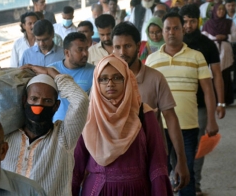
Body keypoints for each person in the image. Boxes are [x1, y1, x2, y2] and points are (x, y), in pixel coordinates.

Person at [72, 54, 173, 195]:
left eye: (117, 77)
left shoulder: (143, 114)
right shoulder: (88, 116)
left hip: (137, 190)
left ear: (127, 80)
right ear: (96, 82)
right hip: (98, 191)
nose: (110, 83)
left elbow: (157, 161)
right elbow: (76, 166)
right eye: (103, 79)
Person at [146, 12, 219, 196]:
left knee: (186, 172)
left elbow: (208, 90)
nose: (172, 32)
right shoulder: (152, 60)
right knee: (159, 171)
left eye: (176, 28)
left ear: (182, 30)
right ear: (162, 32)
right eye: (168, 28)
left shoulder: (196, 57)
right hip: (159, 127)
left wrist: (211, 120)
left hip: (188, 126)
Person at [112, 22, 190, 192]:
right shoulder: (106, 81)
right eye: (117, 47)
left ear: (139, 47)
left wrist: (181, 161)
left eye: (127, 46)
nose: (122, 52)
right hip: (117, 159)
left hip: (153, 157)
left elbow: (171, 118)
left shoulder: (155, 78)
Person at [1, 65, 89, 195]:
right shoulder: (6, 136)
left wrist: (52, 72)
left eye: (47, 101)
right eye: (34, 99)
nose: (39, 107)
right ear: (25, 101)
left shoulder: (63, 136)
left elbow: (80, 100)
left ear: (56, 106)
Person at [179, 4, 225, 196]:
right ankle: (180, 180)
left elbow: (217, 74)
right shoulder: (174, 44)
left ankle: (195, 183)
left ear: (198, 21)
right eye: (185, 21)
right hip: (178, 103)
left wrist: (220, 103)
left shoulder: (207, 44)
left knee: (198, 146)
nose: (188, 25)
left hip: (201, 104)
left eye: (192, 21)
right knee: (177, 144)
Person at [49, 32, 95, 121]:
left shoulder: (95, 72)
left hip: (85, 128)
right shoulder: (51, 70)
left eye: (86, 49)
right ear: (67, 52)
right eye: (80, 50)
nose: (85, 53)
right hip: (57, 126)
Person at [202, 4, 236, 106]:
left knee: (225, 75)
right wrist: (213, 38)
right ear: (214, 11)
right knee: (212, 75)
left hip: (225, 50)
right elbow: (203, 36)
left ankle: (225, 99)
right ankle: (213, 100)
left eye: (223, 10)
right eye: (219, 10)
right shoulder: (208, 23)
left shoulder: (229, 22)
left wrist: (226, 36)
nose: (221, 12)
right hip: (212, 49)